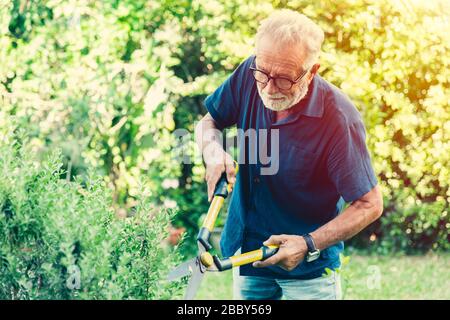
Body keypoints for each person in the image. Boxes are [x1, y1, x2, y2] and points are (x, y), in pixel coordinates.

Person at [195, 9, 383, 300]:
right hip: (249, 256)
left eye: (284, 79)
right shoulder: (250, 74)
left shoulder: (339, 119)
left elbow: (369, 204)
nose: (269, 88)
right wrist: (211, 150)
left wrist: (308, 243)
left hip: (308, 271)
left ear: (312, 71)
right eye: (263, 73)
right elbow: (209, 121)